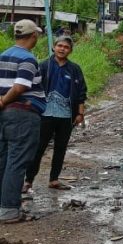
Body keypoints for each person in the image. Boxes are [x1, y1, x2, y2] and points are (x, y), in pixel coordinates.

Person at [25, 35, 87, 193]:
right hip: (44, 115)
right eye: (60, 46)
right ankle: (28, 181)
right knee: (39, 148)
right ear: (54, 47)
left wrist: (80, 113)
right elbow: (33, 88)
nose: (62, 49)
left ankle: (54, 179)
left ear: (70, 51)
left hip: (66, 117)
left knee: (61, 148)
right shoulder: (44, 66)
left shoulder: (74, 69)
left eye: (66, 47)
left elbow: (81, 92)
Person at [0, 20, 46, 224]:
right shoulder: (27, 58)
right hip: (22, 114)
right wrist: (3, 100)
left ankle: (4, 205)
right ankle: (10, 209)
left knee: (4, 159)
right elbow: (20, 86)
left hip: (5, 116)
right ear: (33, 36)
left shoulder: (3, 55)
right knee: (17, 161)